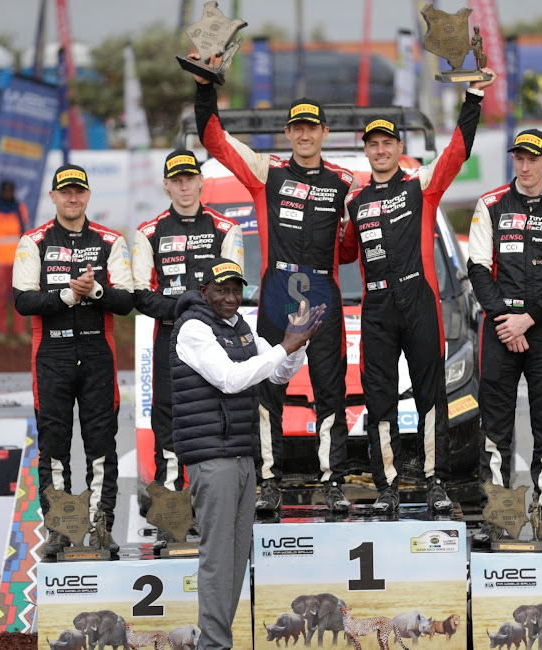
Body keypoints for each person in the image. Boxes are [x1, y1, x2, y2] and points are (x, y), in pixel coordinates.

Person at [192, 53, 356, 514]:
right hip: (276, 291)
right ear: (288, 134)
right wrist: (206, 85)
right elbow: (215, 140)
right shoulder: (268, 172)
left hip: (323, 292)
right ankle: (268, 481)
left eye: (313, 128)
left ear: (325, 133)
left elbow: (352, 246)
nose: (305, 135)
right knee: (266, 389)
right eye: (297, 128)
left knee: (330, 391)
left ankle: (333, 482)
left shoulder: (345, 182)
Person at [339, 68, 497, 513]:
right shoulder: (355, 200)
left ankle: (435, 482)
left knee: (432, 396)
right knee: (379, 399)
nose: (381, 149)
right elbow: (346, 253)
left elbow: (457, 151)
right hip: (377, 307)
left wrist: (473, 99)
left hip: (419, 300)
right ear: (366, 151)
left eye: (388, 143)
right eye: (373, 144)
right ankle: (386, 483)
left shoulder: (420, 186)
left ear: (399, 149)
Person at [171, 258, 323, 650]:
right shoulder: (192, 328)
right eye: (221, 290)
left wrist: (297, 345)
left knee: (236, 561)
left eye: (236, 290)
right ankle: (214, 645)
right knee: (218, 560)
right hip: (212, 459)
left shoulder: (240, 327)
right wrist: (284, 347)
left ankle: (219, 641)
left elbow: (277, 374)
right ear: (203, 292)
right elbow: (231, 379)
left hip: (241, 456)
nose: (231, 297)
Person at [467, 129, 542, 547]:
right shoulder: (491, 204)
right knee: (494, 426)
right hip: (499, 326)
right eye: (519, 158)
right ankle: (499, 514)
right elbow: (478, 268)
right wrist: (505, 319)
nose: (525, 165)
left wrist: (527, 320)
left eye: (533, 158)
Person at [12, 164, 134, 556]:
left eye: (79, 191)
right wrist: (67, 296)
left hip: (99, 352)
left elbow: (128, 299)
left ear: (88, 195)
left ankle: (101, 527)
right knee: (54, 447)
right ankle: (61, 529)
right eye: (65, 191)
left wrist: (96, 291)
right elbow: (22, 300)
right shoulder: (33, 241)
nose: (72, 197)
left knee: (102, 446)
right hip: (51, 353)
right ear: (53, 197)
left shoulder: (110, 240)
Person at [132, 149, 244, 547]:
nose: (183, 186)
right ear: (166, 185)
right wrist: (189, 306)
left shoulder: (225, 228)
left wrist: (191, 308)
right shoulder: (148, 232)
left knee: (215, 425)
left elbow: (233, 293)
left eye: (189, 178)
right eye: (175, 180)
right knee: (169, 428)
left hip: (216, 340)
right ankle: (172, 517)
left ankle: (212, 510)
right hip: (170, 340)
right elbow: (141, 296)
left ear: (201, 181)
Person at [0, 180, 29, 343]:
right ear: (0, 192)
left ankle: (20, 331)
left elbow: (25, 233)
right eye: (5, 191)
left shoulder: (20, 208)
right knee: (0, 297)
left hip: (18, 261)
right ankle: (1, 331)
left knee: (19, 297)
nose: (7, 194)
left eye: (10, 191)